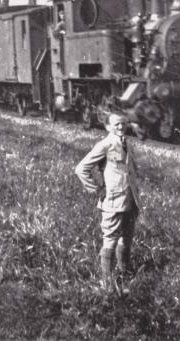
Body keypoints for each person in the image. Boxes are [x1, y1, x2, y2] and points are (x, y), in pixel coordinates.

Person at [75, 113, 141, 293]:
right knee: (110, 240)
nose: (121, 127)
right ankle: (107, 283)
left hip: (130, 200)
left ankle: (124, 274)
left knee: (126, 239)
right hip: (113, 201)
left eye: (124, 124)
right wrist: (97, 189)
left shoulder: (127, 143)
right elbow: (81, 169)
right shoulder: (105, 145)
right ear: (107, 127)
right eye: (117, 124)